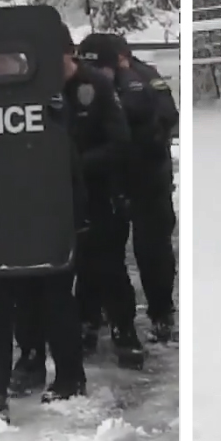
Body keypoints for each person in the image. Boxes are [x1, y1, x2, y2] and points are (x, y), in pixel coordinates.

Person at [0, 24, 110, 420]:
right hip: (7, 217)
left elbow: (66, 160)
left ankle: (69, 378)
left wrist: (74, 216)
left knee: (56, 299)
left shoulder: (48, 98)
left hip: (49, 212)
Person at [79, 33, 178, 344]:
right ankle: (97, 313)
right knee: (102, 250)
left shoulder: (144, 80)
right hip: (111, 178)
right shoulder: (88, 84)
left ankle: (161, 312)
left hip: (148, 177)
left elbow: (166, 118)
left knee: (152, 249)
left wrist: (134, 136)